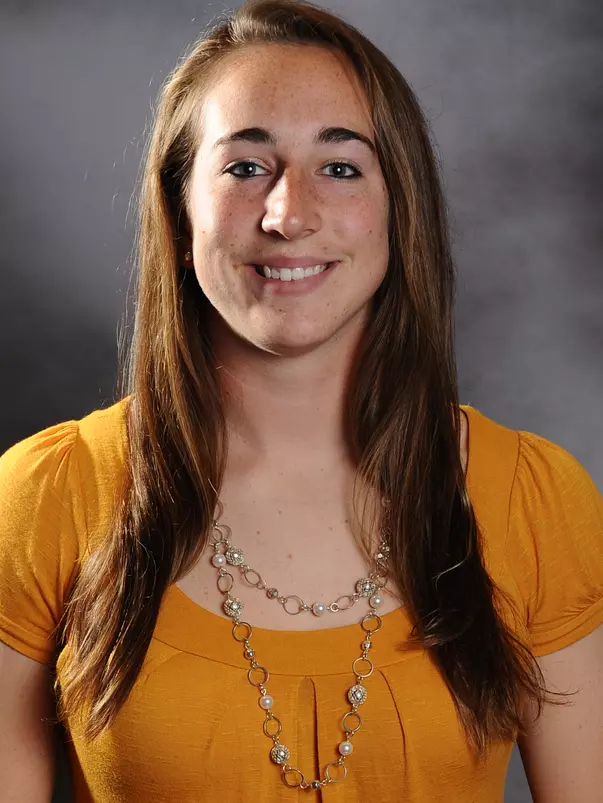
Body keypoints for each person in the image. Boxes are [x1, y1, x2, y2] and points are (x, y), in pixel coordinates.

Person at [1, 0, 602, 800]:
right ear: (179, 214)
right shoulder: (46, 495)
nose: (288, 214)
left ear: (399, 207)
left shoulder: (531, 496)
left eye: (341, 166)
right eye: (245, 167)